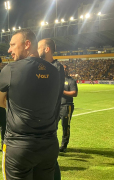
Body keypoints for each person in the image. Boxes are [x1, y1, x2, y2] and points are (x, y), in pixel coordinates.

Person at [0, 29, 60, 180]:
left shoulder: (10, 69)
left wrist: (16, 106)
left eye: (12, 45)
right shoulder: (55, 71)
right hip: (49, 145)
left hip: (20, 146)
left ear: (27, 44)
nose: (9, 49)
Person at [38, 38, 65, 180]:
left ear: (46, 49)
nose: (37, 50)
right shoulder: (44, 66)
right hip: (44, 118)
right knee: (44, 156)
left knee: (50, 157)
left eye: (39, 47)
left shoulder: (56, 67)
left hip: (50, 119)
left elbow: (52, 93)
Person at [59, 65, 78, 152]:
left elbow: (74, 93)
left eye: (66, 68)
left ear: (68, 70)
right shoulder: (57, 79)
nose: (64, 70)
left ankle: (64, 145)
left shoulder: (71, 81)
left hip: (67, 106)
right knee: (52, 124)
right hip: (56, 106)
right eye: (63, 68)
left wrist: (62, 92)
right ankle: (52, 143)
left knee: (65, 126)